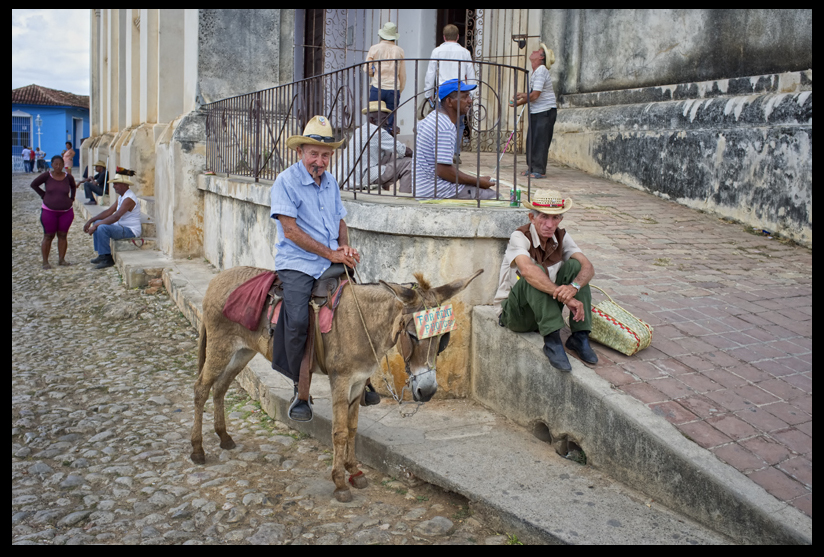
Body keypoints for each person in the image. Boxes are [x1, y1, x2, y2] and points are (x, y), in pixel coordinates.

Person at [270, 115, 382, 421]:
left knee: (359, 308)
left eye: (325, 155)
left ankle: (364, 377)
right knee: (296, 322)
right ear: (300, 152)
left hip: (330, 257)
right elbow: (290, 231)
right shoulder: (286, 182)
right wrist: (331, 254)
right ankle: (300, 389)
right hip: (297, 263)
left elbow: (339, 220)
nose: (319, 161)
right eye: (313, 154)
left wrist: (343, 247)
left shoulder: (330, 182)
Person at [493, 190, 598, 371]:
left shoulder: (560, 236)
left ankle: (580, 336)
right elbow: (527, 270)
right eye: (544, 217)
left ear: (560, 220)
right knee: (535, 272)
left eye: (555, 218)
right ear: (532, 218)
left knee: (575, 267)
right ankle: (552, 340)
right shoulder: (519, 236)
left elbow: (588, 266)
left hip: (545, 309)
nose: (549, 225)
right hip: (517, 315)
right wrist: (566, 297)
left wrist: (573, 288)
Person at [413, 79, 497, 200]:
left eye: (469, 95)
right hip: (436, 191)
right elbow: (443, 171)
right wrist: (477, 181)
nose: (470, 100)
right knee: (494, 197)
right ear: (449, 101)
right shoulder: (445, 126)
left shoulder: (432, 117)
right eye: (465, 96)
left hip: (424, 188)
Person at [424, 24, 476, 162]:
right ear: (458, 37)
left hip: (443, 92)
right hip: (459, 92)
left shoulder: (437, 51)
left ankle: (439, 152)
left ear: (444, 37)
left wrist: (428, 92)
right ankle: (454, 152)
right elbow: (470, 74)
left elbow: (431, 73)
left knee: (439, 122)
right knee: (458, 124)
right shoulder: (465, 52)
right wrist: (471, 94)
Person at [337, 101, 413, 193]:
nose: (387, 122)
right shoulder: (377, 132)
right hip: (361, 178)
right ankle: (404, 198)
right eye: (384, 119)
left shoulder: (359, 130)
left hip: (345, 179)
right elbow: (404, 150)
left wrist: (391, 136)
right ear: (372, 120)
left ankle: (383, 192)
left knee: (388, 155)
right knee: (408, 163)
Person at [511, 43, 557, 179]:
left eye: (538, 51)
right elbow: (533, 93)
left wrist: (520, 102)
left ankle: (539, 169)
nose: (534, 51)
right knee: (532, 139)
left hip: (545, 111)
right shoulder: (536, 72)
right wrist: (522, 95)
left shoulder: (542, 70)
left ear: (541, 58)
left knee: (540, 140)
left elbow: (535, 95)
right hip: (537, 110)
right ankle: (532, 167)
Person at [83, 173, 142, 269]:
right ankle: (101, 255)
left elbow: (116, 217)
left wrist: (97, 225)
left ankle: (107, 259)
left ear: (124, 185)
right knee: (97, 223)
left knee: (102, 227)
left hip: (130, 230)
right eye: (114, 184)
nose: (114, 186)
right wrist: (92, 220)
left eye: (116, 184)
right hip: (121, 226)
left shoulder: (129, 198)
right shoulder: (122, 197)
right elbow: (109, 211)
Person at [30, 155, 77, 269]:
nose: (58, 166)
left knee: (63, 235)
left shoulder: (68, 177)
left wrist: (72, 199)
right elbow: (34, 184)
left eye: (60, 164)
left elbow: (73, 187)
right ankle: (45, 261)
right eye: (56, 164)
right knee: (48, 235)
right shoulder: (47, 176)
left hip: (66, 211)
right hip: (49, 211)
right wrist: (43, 195)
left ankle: (61, 259)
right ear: (52, 165)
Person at [365, 22, 405, 133]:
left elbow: (367, 69)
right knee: (389, 121)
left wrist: (372, 74)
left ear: (382, 35)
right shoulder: (399, 50)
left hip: (377, 86)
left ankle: (374, 144)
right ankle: (387, 145)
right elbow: (402, 74)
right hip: (393, 88)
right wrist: (399, 89)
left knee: (373, 119)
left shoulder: (374, 48)